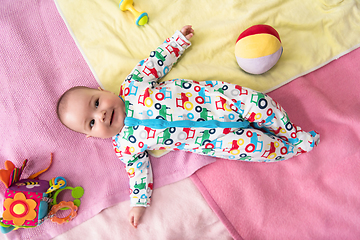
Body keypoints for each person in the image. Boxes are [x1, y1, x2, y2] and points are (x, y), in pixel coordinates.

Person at [57, 25, 320, 228]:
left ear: (103, 91)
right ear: (92, 136)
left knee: (261, 104)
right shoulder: (125, 146)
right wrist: (139, 203)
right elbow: (138, 173)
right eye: (91, 122)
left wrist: (178, 42)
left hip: (221, 101)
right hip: (217, 140)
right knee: (258, 148)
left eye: (96, 102)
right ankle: (290, 149)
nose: (101, 115)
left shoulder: (133, 85)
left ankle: (292, 133)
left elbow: (155, 62)